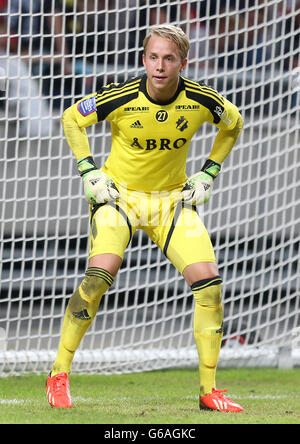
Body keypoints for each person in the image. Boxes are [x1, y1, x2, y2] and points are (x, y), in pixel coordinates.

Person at [46, 24, 244, 413]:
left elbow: (233, 124)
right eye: (153, 57)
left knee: (209, 286)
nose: (159, 66)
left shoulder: (202, 100)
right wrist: (89, 171)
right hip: (118, 197)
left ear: (182, 63)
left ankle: (209, 391)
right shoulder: (120, 97)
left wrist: (208, 173)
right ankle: (58, 374)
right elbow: (72, 118)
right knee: (99, 276)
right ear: (144, 59)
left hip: (171, 202)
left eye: (168, 59)